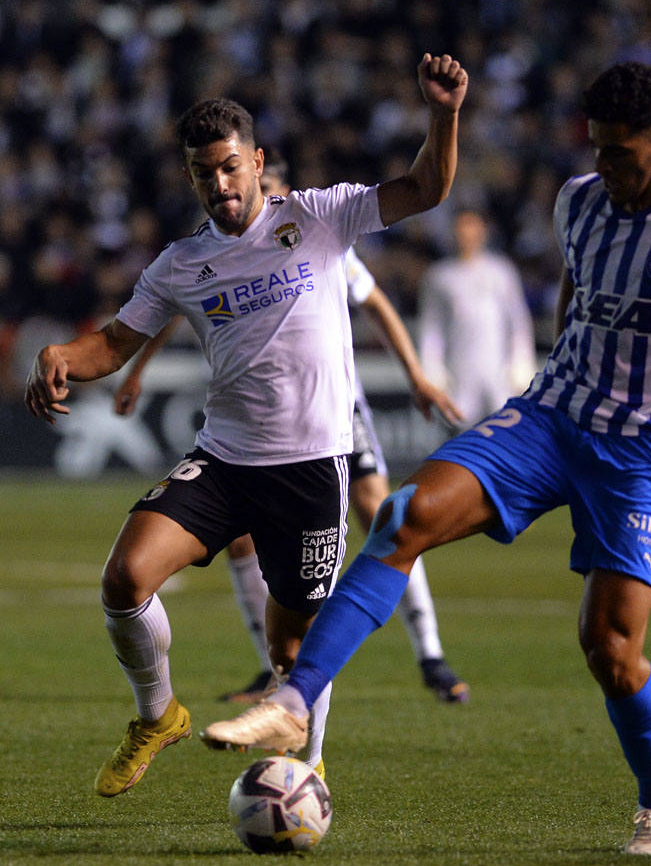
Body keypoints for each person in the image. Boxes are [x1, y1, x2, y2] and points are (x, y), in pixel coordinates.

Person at [200, 61, 651, 855]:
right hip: (551, 416)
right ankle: (294, 699)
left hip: (646, 450)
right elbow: (579, 291)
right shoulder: (579, 201)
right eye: (595, 151)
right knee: (403, 513)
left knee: (610, 647)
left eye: (620, 157)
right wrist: (560, 367)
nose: (605, 170)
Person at [24, 53, 469, 796]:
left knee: (291, 643)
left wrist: (444, 114)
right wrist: (60, 355)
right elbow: (113, 343)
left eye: (230, 167)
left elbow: (425, 187)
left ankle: (309, 769)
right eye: (203, 174)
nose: (219, 185)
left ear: (257, 162)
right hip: (225, 458)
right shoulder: (181, 263)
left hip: (310, 467)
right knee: (124, 578)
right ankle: (156, 715)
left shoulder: (319, 217)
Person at [112, 151, 472, 706]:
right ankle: (270, 668)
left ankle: (431, 653)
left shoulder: (313, 231)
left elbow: (374, 300)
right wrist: (136, 367)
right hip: (253, 432)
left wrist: (418, 377)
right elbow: (171, 307)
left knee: (381, 516)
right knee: (241, 542)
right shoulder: (207, 252)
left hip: (333, 413)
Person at [417, 208, 536, 422]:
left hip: (498, 371)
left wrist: (522, 362)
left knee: (502, 432)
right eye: (462, 229)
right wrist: (432, 369)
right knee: (463, 431)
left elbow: (518, 321)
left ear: (483, 231)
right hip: (459, 369)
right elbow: (431, 327)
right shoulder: (440, 276)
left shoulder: (501, 271)